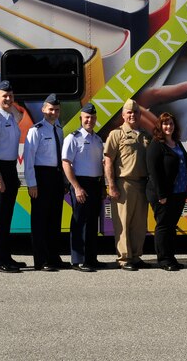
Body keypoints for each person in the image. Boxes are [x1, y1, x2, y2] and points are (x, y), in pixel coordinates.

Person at [104, 99, 152, 271]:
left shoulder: (146, 135)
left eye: (135, 112)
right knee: (123, 223)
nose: (132, 115)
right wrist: (111, 185)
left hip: (142, 184)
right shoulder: (116, 134)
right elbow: (108, 161)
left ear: (140, 115)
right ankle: (124, 259)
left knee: (139, 224)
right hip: (124, 183)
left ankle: (137, 256)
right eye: (129, 112)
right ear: (123, 115)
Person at [0, 80, 26, 274]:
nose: (8, 98)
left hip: (9, 170)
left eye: (10, 95)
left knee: (7, 216)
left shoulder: (11, 118)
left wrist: (12, 174)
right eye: (4, 95)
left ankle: (6, 257)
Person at [61, 103, 106, 273]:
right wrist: (76, 187)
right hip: (80, 183)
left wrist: (102, 186)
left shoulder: (97, 139)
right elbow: (66, 163)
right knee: (80, 222)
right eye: (87, 117)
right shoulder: (73, 138)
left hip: (95, 183)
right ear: (81, 118)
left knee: (93, 222)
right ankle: (78, 260)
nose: (90, 120)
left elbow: (100, 165)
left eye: (92, 117)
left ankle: (91, 258)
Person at [23, 93, 65, 272]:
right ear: (43, 110)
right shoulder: (36, 130)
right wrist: (31, 183)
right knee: (40, 221)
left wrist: (63, 181)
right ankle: (41, 260)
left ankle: (54, 256)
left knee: (55, 220)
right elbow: (29, 158)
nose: (53, 112)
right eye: (50, 109)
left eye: (56, 110)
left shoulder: (59, 130)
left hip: (55, 177)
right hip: (41, 177)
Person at [146, 113, 187, 271]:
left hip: (178, 192)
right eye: (165, 124)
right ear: (160, 126)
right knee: (163, 226)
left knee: (172, 226)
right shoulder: (156, 144)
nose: (168, 127)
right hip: (163, 194)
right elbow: (154, 172)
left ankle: (171, 257)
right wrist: (161, 195)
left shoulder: (176, 143)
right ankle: (163, 259)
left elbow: (184, 165)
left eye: (171, 123)